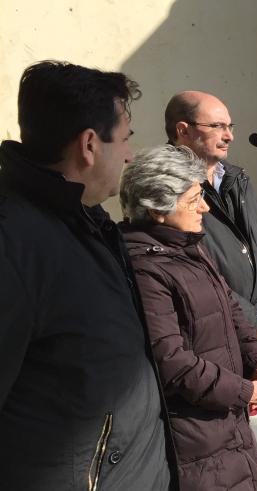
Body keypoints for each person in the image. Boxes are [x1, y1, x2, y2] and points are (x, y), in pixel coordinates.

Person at [0, 61, 175, 489]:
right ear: (90, 145)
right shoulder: (14, 241)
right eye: (127, 138)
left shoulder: (86, 218)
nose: (132, 153)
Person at [119, 144, 257, 490]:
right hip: (196, 435)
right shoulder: (146, 268)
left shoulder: (188, 246)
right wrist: (243, 391)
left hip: (228, 420)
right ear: (158, 210)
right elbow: (172, 364)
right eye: (193, 200)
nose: (204, 207)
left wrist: (255, 359)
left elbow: (229, 306)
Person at [164, 91, 257, 354]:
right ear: (183, 130)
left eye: (229, 126)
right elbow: (193, 269)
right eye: (217, 126)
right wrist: (253, 319)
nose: (229, 135)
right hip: (214, 342)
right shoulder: (168, 187)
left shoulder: (238, 178)